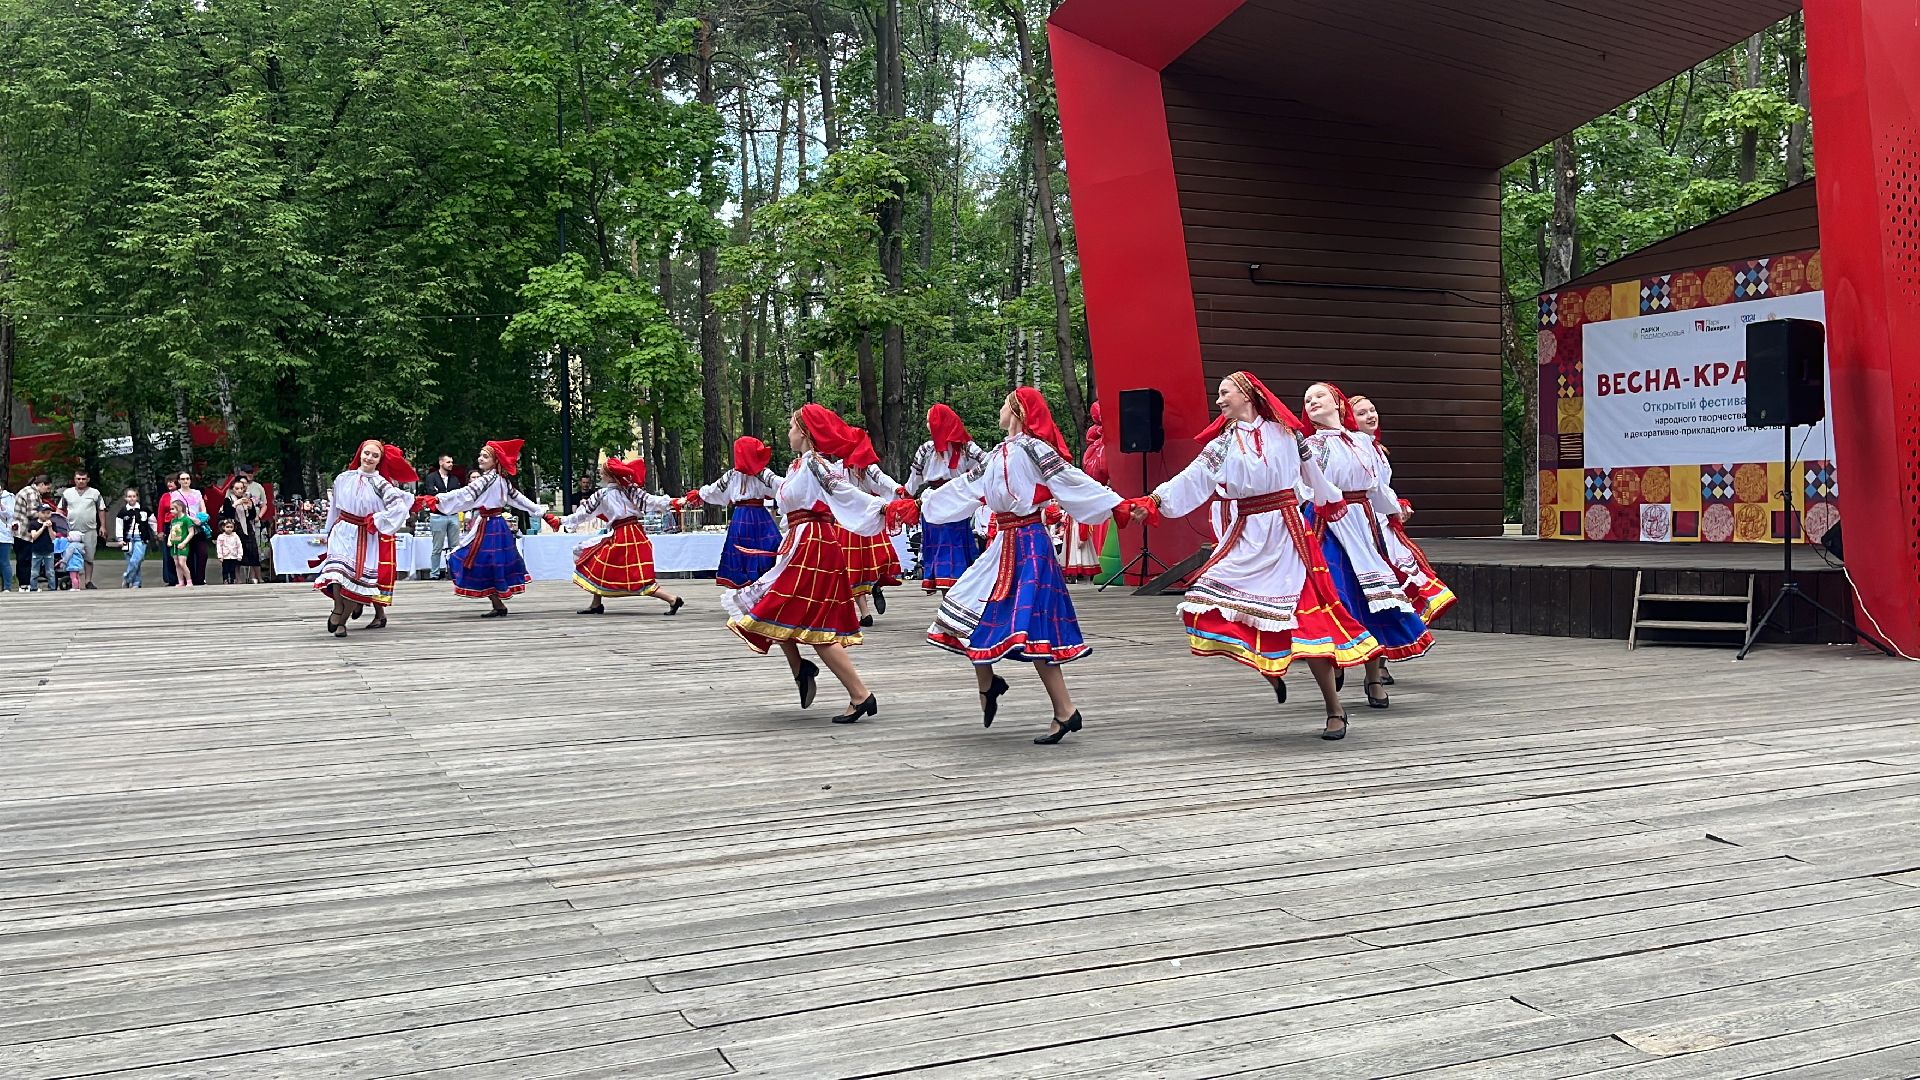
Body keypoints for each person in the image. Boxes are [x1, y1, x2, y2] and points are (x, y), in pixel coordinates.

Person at [1133, 372, 1380, 739]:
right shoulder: (1223, 443)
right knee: (1210, 597)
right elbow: (1192, 478)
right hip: (1247, 534)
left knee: (1308, 622)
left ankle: (1335, 709)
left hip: (1289, 534)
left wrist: (1332, 502)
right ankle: (1270, 666)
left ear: (1247, 395)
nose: (1219, 401)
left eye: (1224, 393)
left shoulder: (1288, 433)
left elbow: (1313, 476)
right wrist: (1153, 501)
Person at [918, 388, 1126, 745]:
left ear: (1015, 410)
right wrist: (924, 503)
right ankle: (991, 684)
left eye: (1003, 404)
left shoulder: (1033, 448)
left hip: (1029, 543)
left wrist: (1119, 505)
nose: (1000, 409)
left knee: (1030, 628)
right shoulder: (998, 452)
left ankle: (1064, 710)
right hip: (1003, 545)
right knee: (964, 610)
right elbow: (966, 488)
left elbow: (1072, 481)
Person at [721, 405, 889, 725]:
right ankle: (803, 670)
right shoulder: (798, 466)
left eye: (791, 427)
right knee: (774, 609)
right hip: (800, 543)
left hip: (814, 546)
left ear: (805, 432)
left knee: (814, 626)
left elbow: (844, 491)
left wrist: (885, 508)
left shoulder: (815, 463)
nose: (788, 432)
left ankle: (860, 694)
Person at [1302, 382, 1434, 711]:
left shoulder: (1363, 443)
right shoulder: (1307, 446)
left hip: (1362, 523)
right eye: (1307, 399)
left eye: (1319, 396)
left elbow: (1378, 485)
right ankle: (1336, 659)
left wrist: (1394, 509)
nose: (1312, 401)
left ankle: (1373, 675)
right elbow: (1300, 487)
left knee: (1373, 598)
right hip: (1325, 525)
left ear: (1337, 403)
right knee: (1335, 595)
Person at [1350, 395, 1456, 629]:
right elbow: (1370, 489)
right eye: (1362, 413)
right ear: (1350, 419)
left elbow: (1382, 489)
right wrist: (1395, 507)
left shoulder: (1376, 448)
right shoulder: (1357, 448)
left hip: (1382, 522)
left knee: (1393, 586)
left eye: (1372, 410)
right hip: (1367, 524)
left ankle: (1383, 648)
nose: (1370, 416)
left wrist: (1397, 504)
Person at [418, 439, 548, 617]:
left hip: (488, 526)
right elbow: (519, 499)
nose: (480, 459)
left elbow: (464, 494)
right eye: (480, 455)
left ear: (495, 461)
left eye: (485, 456)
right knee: (491, 563)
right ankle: (498, 603)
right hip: (497, 525)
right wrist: (541, 512)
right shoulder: (502, 480)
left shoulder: (487, 480)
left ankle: (498, 603)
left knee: (471, 560)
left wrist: (438, 499)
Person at [313, 440, 419, 636]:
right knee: (337, 573)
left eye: (374, 456)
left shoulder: (381, 484)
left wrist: (378, 520)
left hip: (365, 533)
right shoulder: (343, 478)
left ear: (379, 461)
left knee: (358, 581)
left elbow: (399, 509)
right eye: (366, 453)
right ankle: (338, 607)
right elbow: (334, 508)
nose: (369, 458)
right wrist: (328, 532)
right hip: (343, 529)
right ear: (359, 453)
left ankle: (343, 622)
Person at [561, 457, 685, 615]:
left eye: (602, 472)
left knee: (634, 575)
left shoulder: (602, 494)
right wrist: (675, 501)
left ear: (609, 476)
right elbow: (653, 501)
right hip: (635, 533)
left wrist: (560, 521)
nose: (600, 475)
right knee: (602, 563)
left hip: (622, 536)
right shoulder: (630, 490)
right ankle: (596, 603)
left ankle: (672, 599)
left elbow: (582, 514)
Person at [679, 436, 782, 590]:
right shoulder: (756, 474)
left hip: (742, 517)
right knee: (764, 549)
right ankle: (755, 590)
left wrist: (699, 494)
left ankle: (755, 590)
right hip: (759, 516)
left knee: (753, 550)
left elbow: (714, 490)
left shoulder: (746, 474)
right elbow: (783, 486)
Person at [904, 404, 987, 592]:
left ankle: (952, 596)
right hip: (935, 503)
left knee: (952, 547)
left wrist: (971, 483)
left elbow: (988, 462)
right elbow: (914, 480)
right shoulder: (927, 449)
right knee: (944, 547)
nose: (927, 424)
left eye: (929, 420)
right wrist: (905, 495)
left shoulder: (965, 447)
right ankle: (948, 594)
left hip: (955, 500)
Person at [841, 433, 903, 625]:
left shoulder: (869, 470)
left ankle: (875, 587)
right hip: (848, 522)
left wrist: (899, 489)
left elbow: (883, 480)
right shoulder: (839, 470)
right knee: (852, 567)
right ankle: (865, 613)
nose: (860, 466)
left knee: (873, 561)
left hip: (867, 519)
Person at [420, 454, 463, 580]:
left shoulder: (454, 479)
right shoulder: (431, 477)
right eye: (448, 462)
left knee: (454, 546)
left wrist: (442, 495)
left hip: (453, 514)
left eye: (452, 462)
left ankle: (455, 572)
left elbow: (457, 495)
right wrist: (446, 495)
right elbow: (432, 493)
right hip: (438, 515)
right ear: (441, 462)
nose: (451, 464)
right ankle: (434, 573)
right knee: (437, 547)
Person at [13, 475, 51, 591]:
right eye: (47, 488)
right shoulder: (31, 493)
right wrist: (46, 516)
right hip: (24, 531)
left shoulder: (28, 490)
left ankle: (24, 585)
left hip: (19, 531)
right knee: (26, 559)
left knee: (22, 558)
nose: (47, 491)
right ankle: (25, 585)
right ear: (42, 484)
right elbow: (31, 513)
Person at [115, 488, 153, 589]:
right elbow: (119, 526)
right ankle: (136, 582)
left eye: (134, 496)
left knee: (136, 559)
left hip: (141, 537)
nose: (132, 498)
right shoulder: (123, 512)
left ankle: (127, 578)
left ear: (137, 497)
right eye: (129, 496)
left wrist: (157, 532)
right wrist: (120, 539)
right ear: (125, 498)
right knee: (131, 560)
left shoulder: (144, 510)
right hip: (127, 538)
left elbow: (153, 521)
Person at [165, 498, 206, 588]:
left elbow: (191, 533)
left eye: (173, 509)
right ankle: (180, 581)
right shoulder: (173, 521)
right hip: (174, 544)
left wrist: (184, 542)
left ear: (179, 508)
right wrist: (169, 540)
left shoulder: (186, 519)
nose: (171, 511)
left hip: (182, 544)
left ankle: (189, 580)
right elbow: (171, 532)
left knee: (182, 562)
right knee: (176, 563)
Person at [24, 508, 56, 591]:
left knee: (50, 572)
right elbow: (34, 536)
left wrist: (49, 528)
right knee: (34, 572)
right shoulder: (33, 524)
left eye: (48, 513)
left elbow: (53, 537)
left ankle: (52, 588)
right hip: (36, 550)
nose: (45, 515)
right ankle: (33, 588)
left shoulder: (53, 523)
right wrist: (43, 527)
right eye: (43, 512)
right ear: (38, 513)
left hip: (48, 550)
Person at [216, 520, 243, 584]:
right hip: (225, 556)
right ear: (223, 527)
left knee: (232, 569)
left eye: (231, 527)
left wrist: (240, 555)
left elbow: (239, 545)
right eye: (227, 527)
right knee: (225, 569)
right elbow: (219, 547)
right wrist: (220, 556)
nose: (229, 529)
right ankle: (225, 579)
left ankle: (232, 579)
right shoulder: (221, 537)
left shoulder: (235, 536)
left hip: (233, 556)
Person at [0, 485, 15, 593]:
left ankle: (7, 587)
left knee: (4, 561)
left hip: (4, 534)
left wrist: (1, 506)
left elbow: (11, 514)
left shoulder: (9, 497)